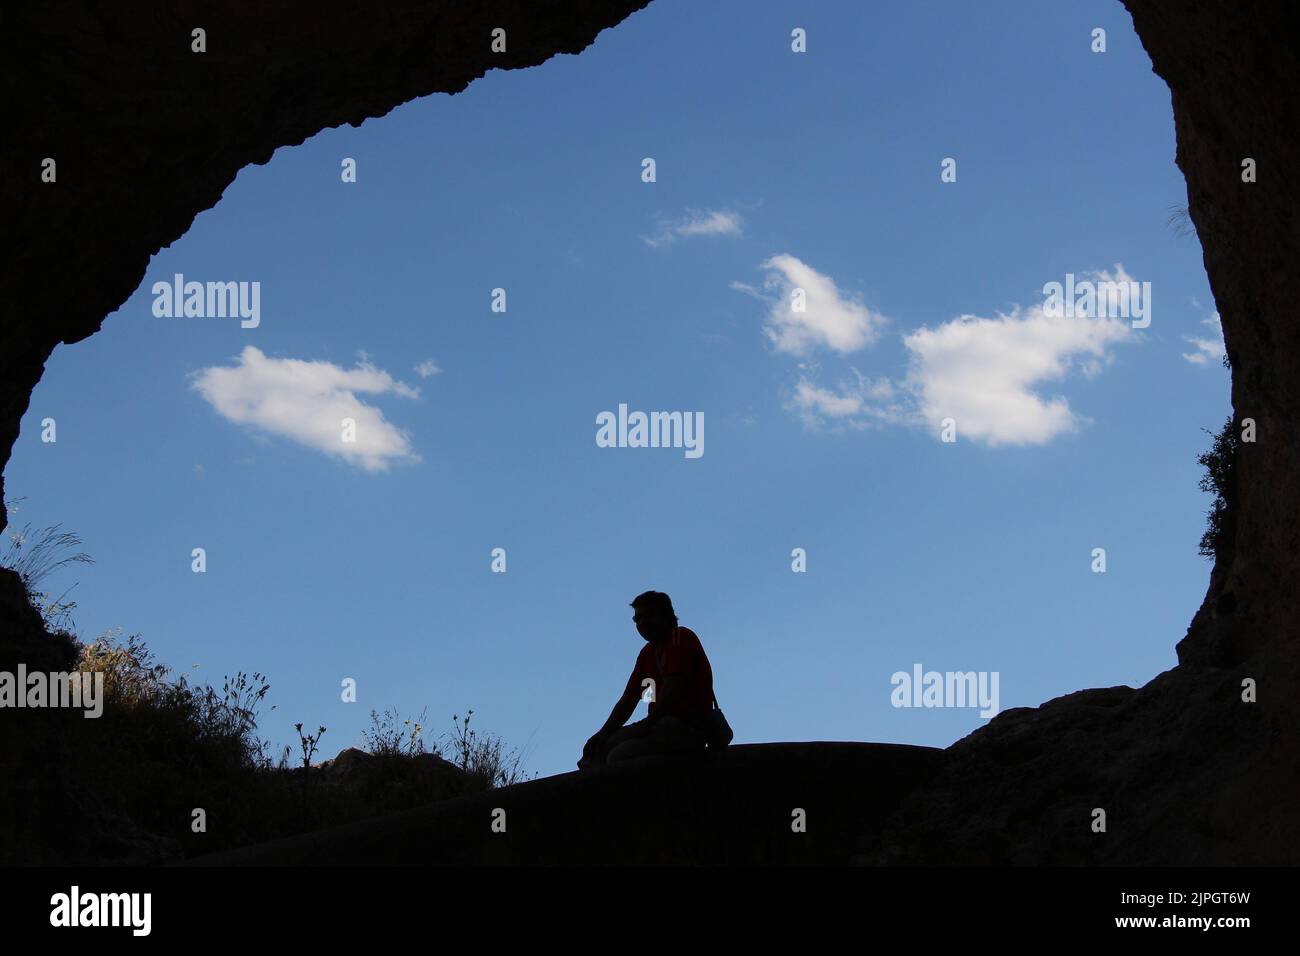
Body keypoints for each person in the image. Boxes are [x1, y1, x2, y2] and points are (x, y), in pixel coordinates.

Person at [578, 591, 714, 768]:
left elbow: (673, 690)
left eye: (648, 615)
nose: (642, 623)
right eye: (637, 619)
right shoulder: (647, 655)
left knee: (617, 756)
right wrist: (602, 734)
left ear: (665, 615)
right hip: (658, 728)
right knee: (600, 749)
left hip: (685, 728)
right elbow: (629, 699)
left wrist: (644, 726)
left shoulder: (680, 638)